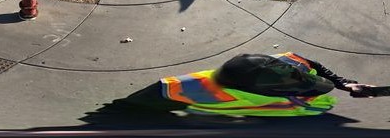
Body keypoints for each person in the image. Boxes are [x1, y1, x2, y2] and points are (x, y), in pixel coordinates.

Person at [86, 52, 372, 120]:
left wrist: (344, 83)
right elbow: (163, 88)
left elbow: (311, 64)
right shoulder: (208, 90)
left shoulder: (292, 64)